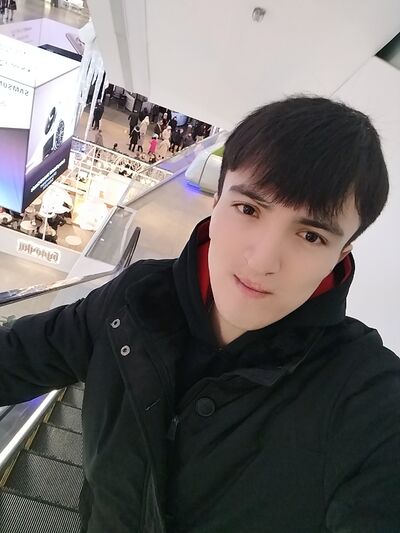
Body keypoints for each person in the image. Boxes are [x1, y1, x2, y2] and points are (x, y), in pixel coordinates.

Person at [0, 96, 399, 533]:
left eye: (310, 235)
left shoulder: (366, 395)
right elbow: (19, 355)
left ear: (341, 253)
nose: (262, 260)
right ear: (216, 200)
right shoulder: (134, 300)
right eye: (249, 209)